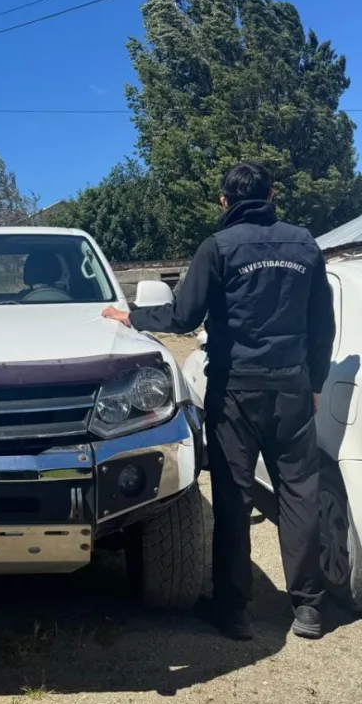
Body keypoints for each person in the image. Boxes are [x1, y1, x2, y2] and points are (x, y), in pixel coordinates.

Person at [102, 161, 335, 641]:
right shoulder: (305, 244)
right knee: (300, 495)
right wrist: (314, 383)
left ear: (224, 202)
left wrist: (131, 317)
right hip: (291, 386)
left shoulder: (218, 248)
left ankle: (233, 610)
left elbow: (184, 315)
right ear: (273, 195)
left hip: (236, 389)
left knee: (233, 498)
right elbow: (322, 324)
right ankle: (309, 609)